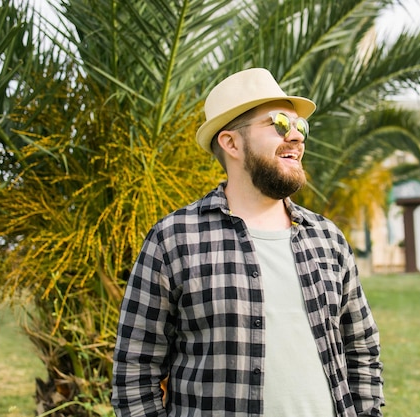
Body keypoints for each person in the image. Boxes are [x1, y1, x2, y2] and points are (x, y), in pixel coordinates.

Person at [111, 68, 384, 417]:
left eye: (301, 126)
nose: (297, 137)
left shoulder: (328, 238)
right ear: (231, 143)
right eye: (280, 124)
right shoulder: (174, 239)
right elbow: (134, 370)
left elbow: (361, 351)